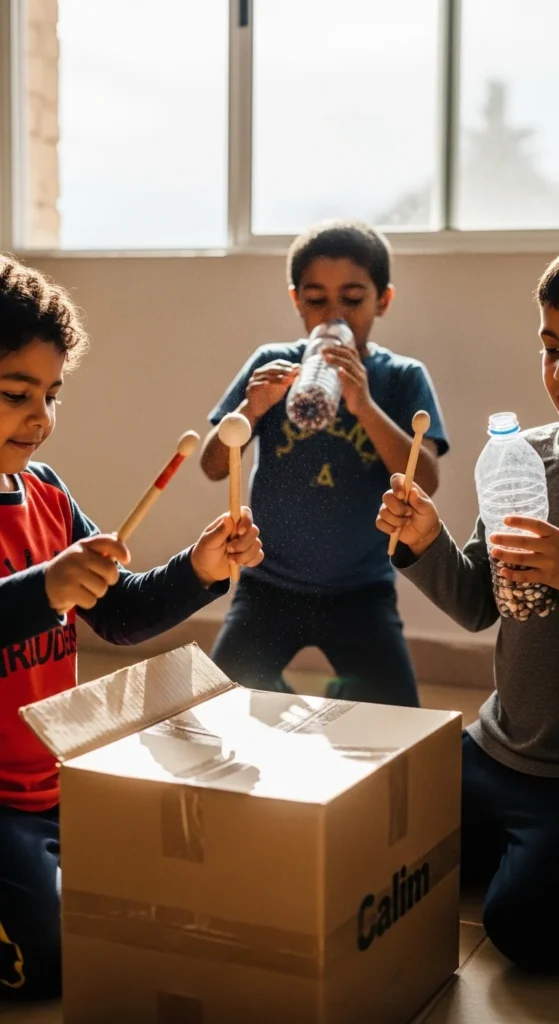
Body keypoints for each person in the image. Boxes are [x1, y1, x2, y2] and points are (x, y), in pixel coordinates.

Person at [0, 254, 263, 1000]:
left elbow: (120, 615)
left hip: (56, 781)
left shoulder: (45, 494)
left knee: (194, 884)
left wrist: (200, 568)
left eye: (52, 395)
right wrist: (40, 590)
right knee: (50, 963)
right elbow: (29, 600)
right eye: (18, 394)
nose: (42, 418)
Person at [376, 255, 559, 975]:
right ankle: (505, 844)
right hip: (496, 748)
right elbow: (479, 605)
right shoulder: (525, 461)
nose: (558, 374)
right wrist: (425, 545)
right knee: (370, 830)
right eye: (550, 349)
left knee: (518, 925)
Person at [201, 220, 449, 703]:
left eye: (353, 300)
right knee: (215, 710)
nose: (333, 314)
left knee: (402, 720)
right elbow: (213, 465)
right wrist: (251, 408)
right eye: (316, 300)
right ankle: (280, 695)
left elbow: (428, 480)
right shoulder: (272, 363)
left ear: (384, 300)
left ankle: (333, 694)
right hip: (267, 584)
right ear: (296, 300)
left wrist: (364, 404)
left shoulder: (400, 377)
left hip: (362, 589)